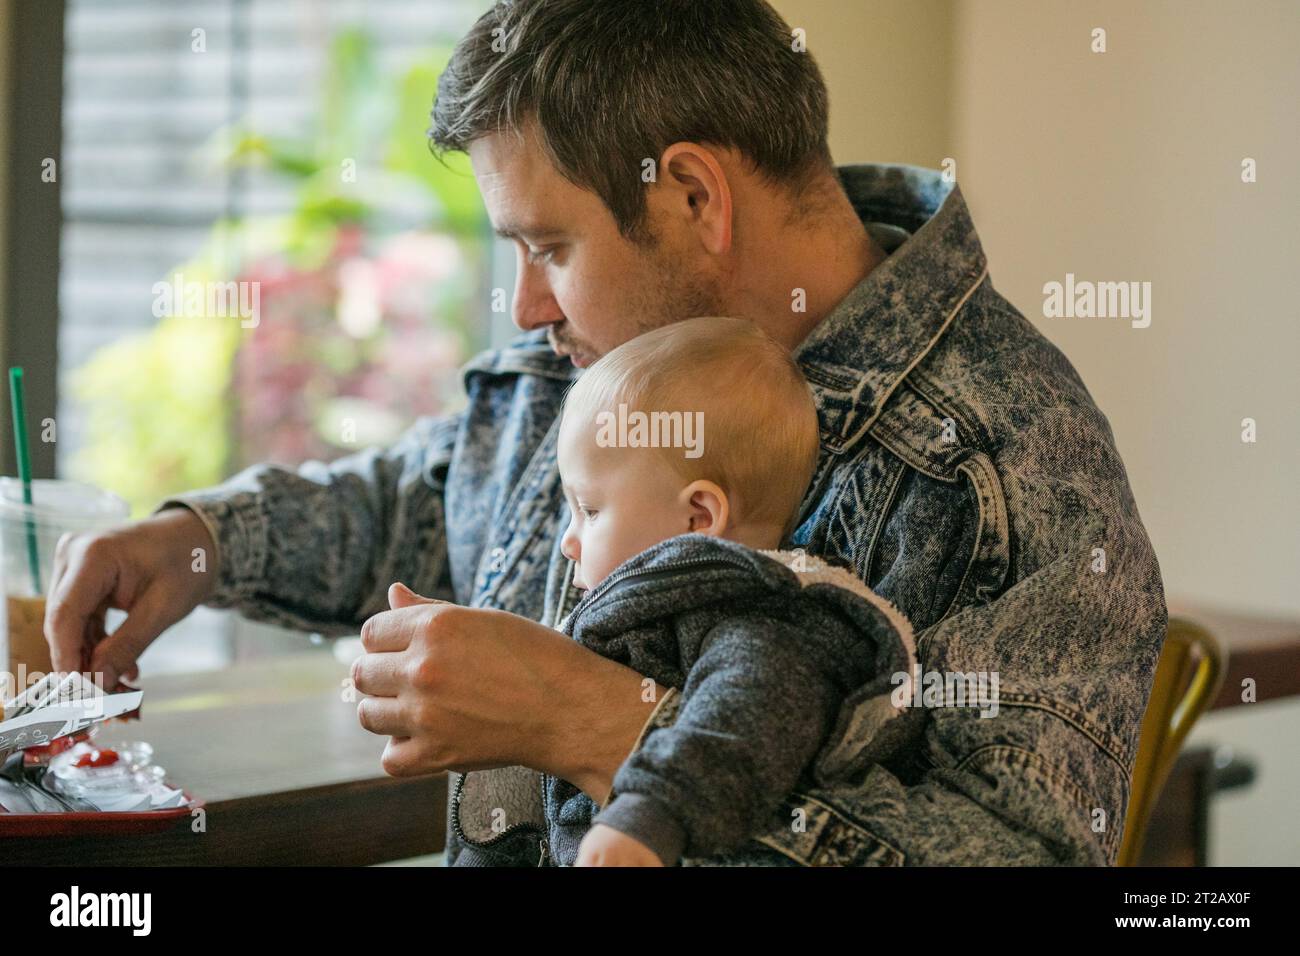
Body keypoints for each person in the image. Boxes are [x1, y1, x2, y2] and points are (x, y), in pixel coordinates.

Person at [43, 0, 1166, 866]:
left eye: (547, 248)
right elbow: (432, 493)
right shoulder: (602, 360)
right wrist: (194, 543)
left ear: (691, 198)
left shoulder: (1006, 470)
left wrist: (595, 724)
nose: (528, 308)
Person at [452, 316, 921, 867]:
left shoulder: (766, 621)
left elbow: (736, 728)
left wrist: (647, 820)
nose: (568, 543)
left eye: (591, 510)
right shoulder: (660, 609)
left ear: (699, 517)